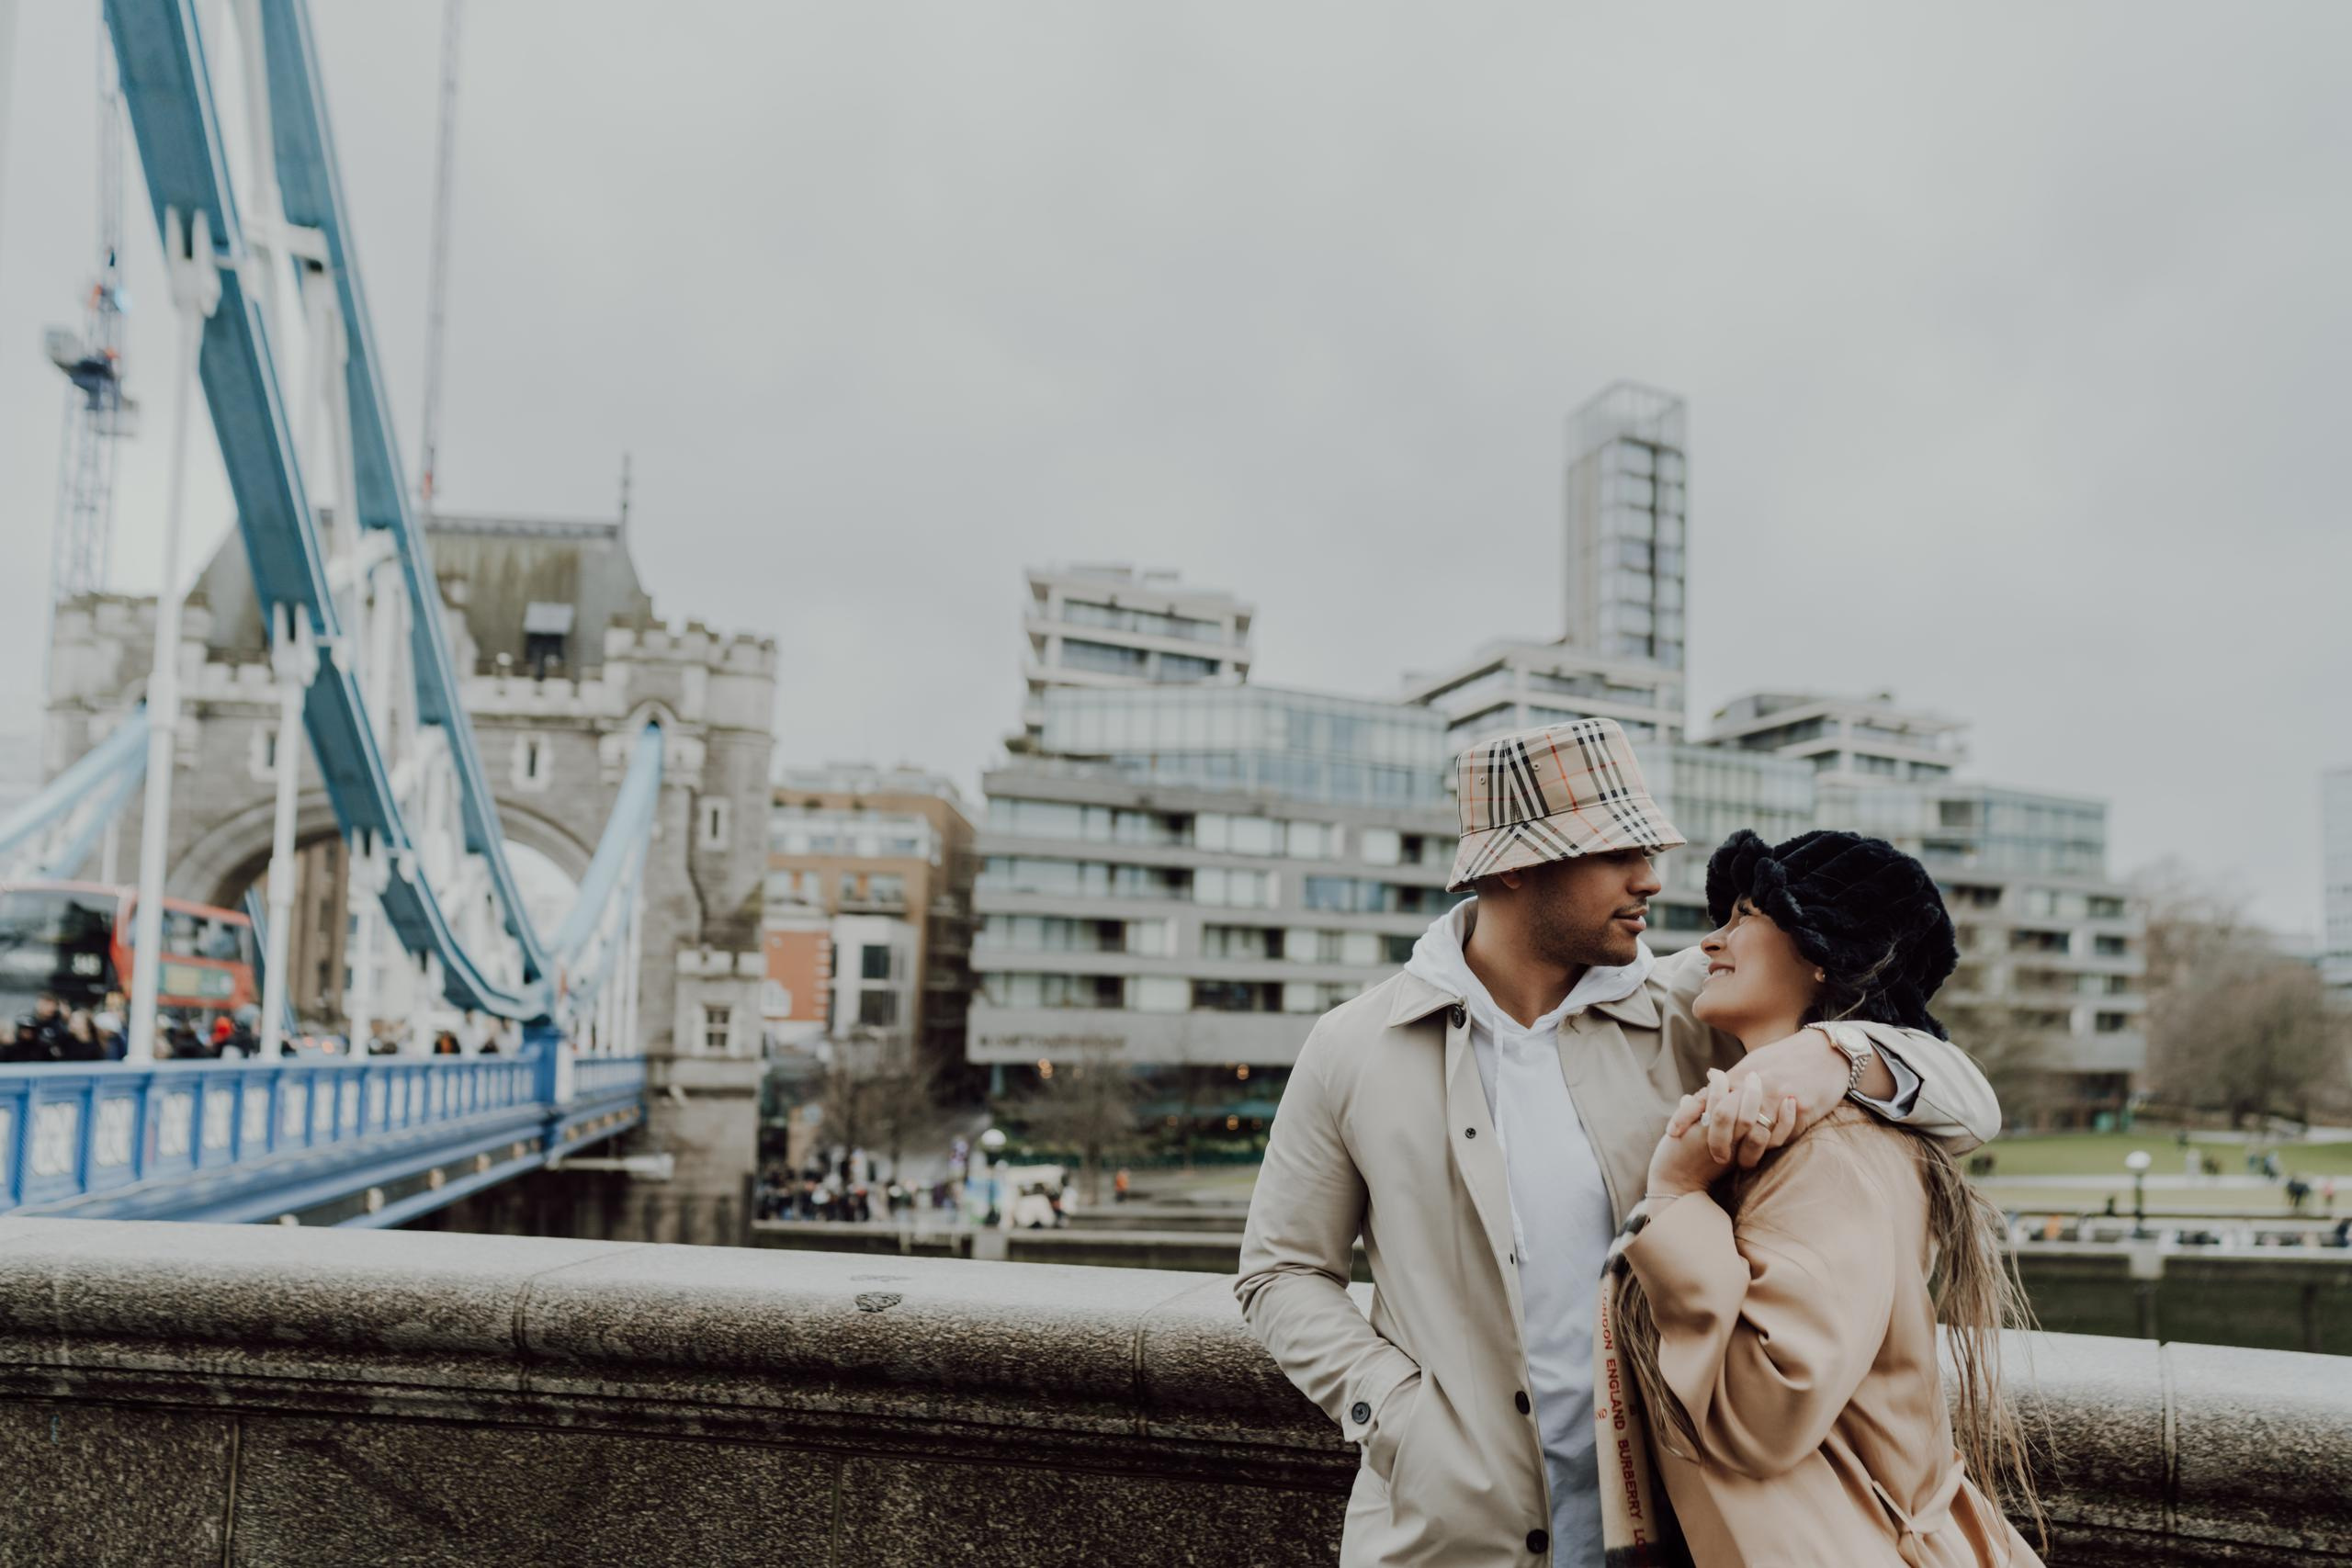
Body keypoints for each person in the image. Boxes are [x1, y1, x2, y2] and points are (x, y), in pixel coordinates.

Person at [1237, 719, 1999, 1568]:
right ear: (1517, 865)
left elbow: (1970, 1103)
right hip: (1441, 1538)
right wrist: (1397, 1415)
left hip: (1670, 1533)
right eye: (1617, 853)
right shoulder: (1352, 1046)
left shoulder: (1687, 1005)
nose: (1650, 878)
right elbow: (1280, 1271)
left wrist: (1838, 1053)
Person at [1604, 829, 2042, 1567]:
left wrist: (1675, 1194)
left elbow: (1767, 1406)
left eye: (1745, 915)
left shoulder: (1831, 1144)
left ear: (1820, 952)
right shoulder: (1807, 1124)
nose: (1712, 942)